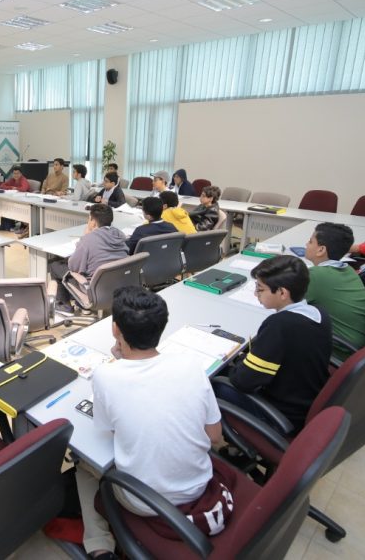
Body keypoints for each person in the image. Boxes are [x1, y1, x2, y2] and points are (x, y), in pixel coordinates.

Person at [75, 287, 232, 558]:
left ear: (115, 329)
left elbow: (107, 430)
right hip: (199, 484)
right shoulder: (191, 365)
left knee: (83, 466)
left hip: (145, 502)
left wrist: (119, 363)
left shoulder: (105, 376)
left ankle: (100, 547)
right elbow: (215, 437)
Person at [215, 255, 332, 432]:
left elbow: (243, 382)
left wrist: (238, 361)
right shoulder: (319, 312)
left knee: (213, 382)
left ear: (282, 293)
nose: (256, 294)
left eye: (260, 289)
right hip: (306, 400)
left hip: (281, 415)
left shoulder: (279, 326)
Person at [304, 223, 365, 358]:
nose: (306, 244)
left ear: (321, 250)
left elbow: (282, 300)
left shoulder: (317, 275)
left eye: (310, 241)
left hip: (339, 350)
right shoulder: (348, 269)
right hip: (357, 345)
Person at [49, 204, 127, 314]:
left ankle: (65, 306)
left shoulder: (88, 239)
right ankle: (78, 303)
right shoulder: (119, 235)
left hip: (92, 289)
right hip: (117, 284)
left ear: (93, 222)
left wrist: (84, 238)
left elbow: (73, 267)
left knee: (54, 265)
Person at [0, 165, 32, 233]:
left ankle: (22, 227)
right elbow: (2, 186)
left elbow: (24, 189)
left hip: (25, 200)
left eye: (17, 173)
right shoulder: (12, 180)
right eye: (14, 173)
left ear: (21, 174)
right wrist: (11, 187)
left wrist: (15, 188)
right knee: (6, 205)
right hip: (15, 199)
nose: (16, 175)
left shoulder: (23, 180)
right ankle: (5, 225)